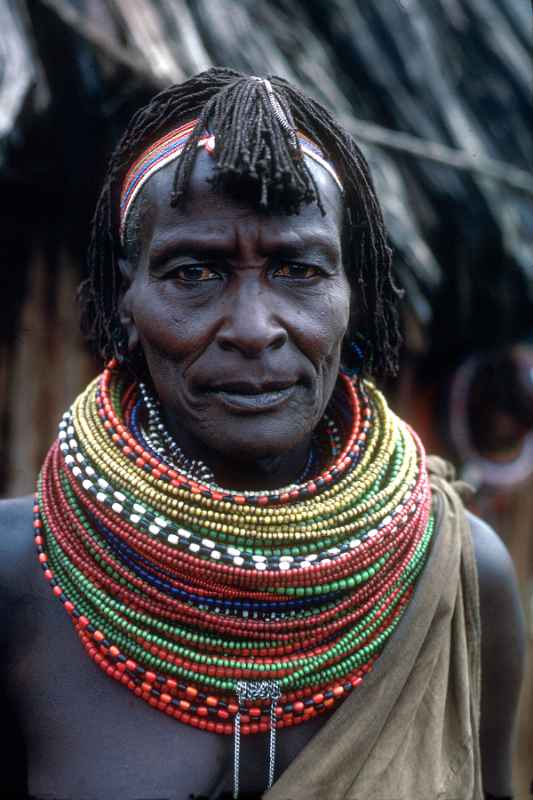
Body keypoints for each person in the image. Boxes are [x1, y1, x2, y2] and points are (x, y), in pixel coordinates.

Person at [0, 68, 525, 800]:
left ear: (355, 294)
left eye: (297, 269)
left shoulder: (462, 578)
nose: (253, 329)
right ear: (126, 300)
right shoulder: (18, 576)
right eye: (194, 272)